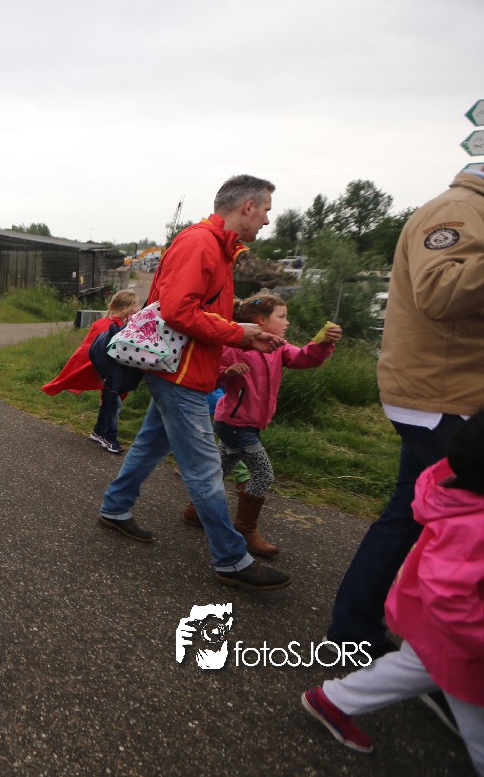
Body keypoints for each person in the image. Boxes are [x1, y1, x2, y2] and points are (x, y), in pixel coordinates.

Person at [97, 175, 293, 591]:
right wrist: (238, 334)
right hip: (180, 374)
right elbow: (177, 311)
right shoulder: (202, 243)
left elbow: (201, 312)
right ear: (247, 207)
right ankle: (231, 558)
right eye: (266, 211)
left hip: (185, 370)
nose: (266, 220)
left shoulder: (217, 247)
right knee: (204, 469)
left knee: (150, 445)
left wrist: (242, 333)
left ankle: (115, 508)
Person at [327, 167, 484, 653]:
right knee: (464, 517)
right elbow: (440, 292)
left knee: (408, 513)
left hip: (443, 393)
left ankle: (356, 627)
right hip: (442, 396)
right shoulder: (459, 209)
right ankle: (446, 650)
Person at [301, 411, 484, 770]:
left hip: (437, 628)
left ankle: (333, 699)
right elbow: (450, 596)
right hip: (460, 640)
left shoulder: (456, 498)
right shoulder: (473, 526)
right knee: (474, 716)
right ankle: (335, 696)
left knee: (412, 668)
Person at [182, 293, 340, 557]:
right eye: (282, 316)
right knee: (263, 474)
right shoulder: (235, 346)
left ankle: (195, 511)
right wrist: (227, 373)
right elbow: (209, 377)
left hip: (248, 422)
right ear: (261, 321)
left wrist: (322, 343)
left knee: (220, 468)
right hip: (234, 423)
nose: (287, 322)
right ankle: (245, 528)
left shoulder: (278, 346)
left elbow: (302, 358)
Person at [41, 289, 140, 454]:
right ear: (126, 308)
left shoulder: (124, 325)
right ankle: (109, 438)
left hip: (113, 374)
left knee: (109, 402)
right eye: (136, 305)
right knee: (113, 404)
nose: (138, 308)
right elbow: (87, 351)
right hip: (108, 374)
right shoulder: (104, 325)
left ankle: (98, 432)